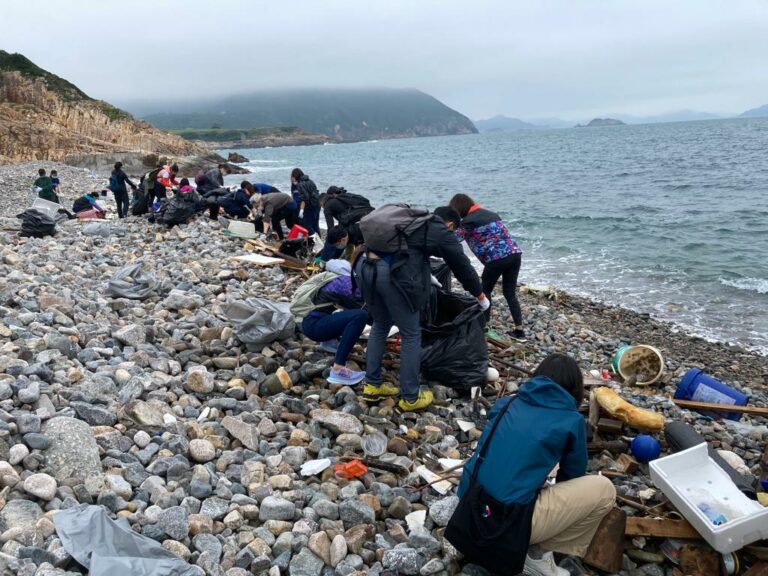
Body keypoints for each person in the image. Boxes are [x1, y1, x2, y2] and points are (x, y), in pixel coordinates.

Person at [456, 353, 616, 576]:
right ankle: (536, 554)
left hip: (468, 506)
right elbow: (572, 477)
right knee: (605, 489)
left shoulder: (507, 402)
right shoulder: (570, 420)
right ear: (575, 388)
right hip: (504, 524)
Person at [354, 206, 488, 411]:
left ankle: (372, 385)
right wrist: (479, 294)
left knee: (380, 324)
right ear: (450, 224)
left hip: (364, 266)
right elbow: (461, 264)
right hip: (389, 274)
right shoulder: (439, 231)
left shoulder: (408, 222)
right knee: (411, 333)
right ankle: (410, 397)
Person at [447, 193, 526, 341]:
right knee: (510, 293)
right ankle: (519, 332)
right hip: (515, 254)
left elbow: (452, 239)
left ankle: (485, 327)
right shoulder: (491, 214)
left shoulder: (468, 222)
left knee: (485, 292)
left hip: (496, 258)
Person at [297, 259, 368, 386]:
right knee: (360, 316)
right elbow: (364, 304)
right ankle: (338, 369)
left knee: (346, 313)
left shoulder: (333, 275)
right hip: (314, 327)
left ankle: (329, 343)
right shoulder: (346, 282)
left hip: (309, 321)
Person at [291, 168, 321, 235]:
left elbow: (304, 198)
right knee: (315, 225)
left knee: (307, 225)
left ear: (294, 176)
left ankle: (316, 240)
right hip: (317, 204)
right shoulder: (310, 181)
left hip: (310, 206)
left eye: (292, 177)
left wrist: (301, 210)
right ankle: (319, 242)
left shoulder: (300, 184)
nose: (291, 178)